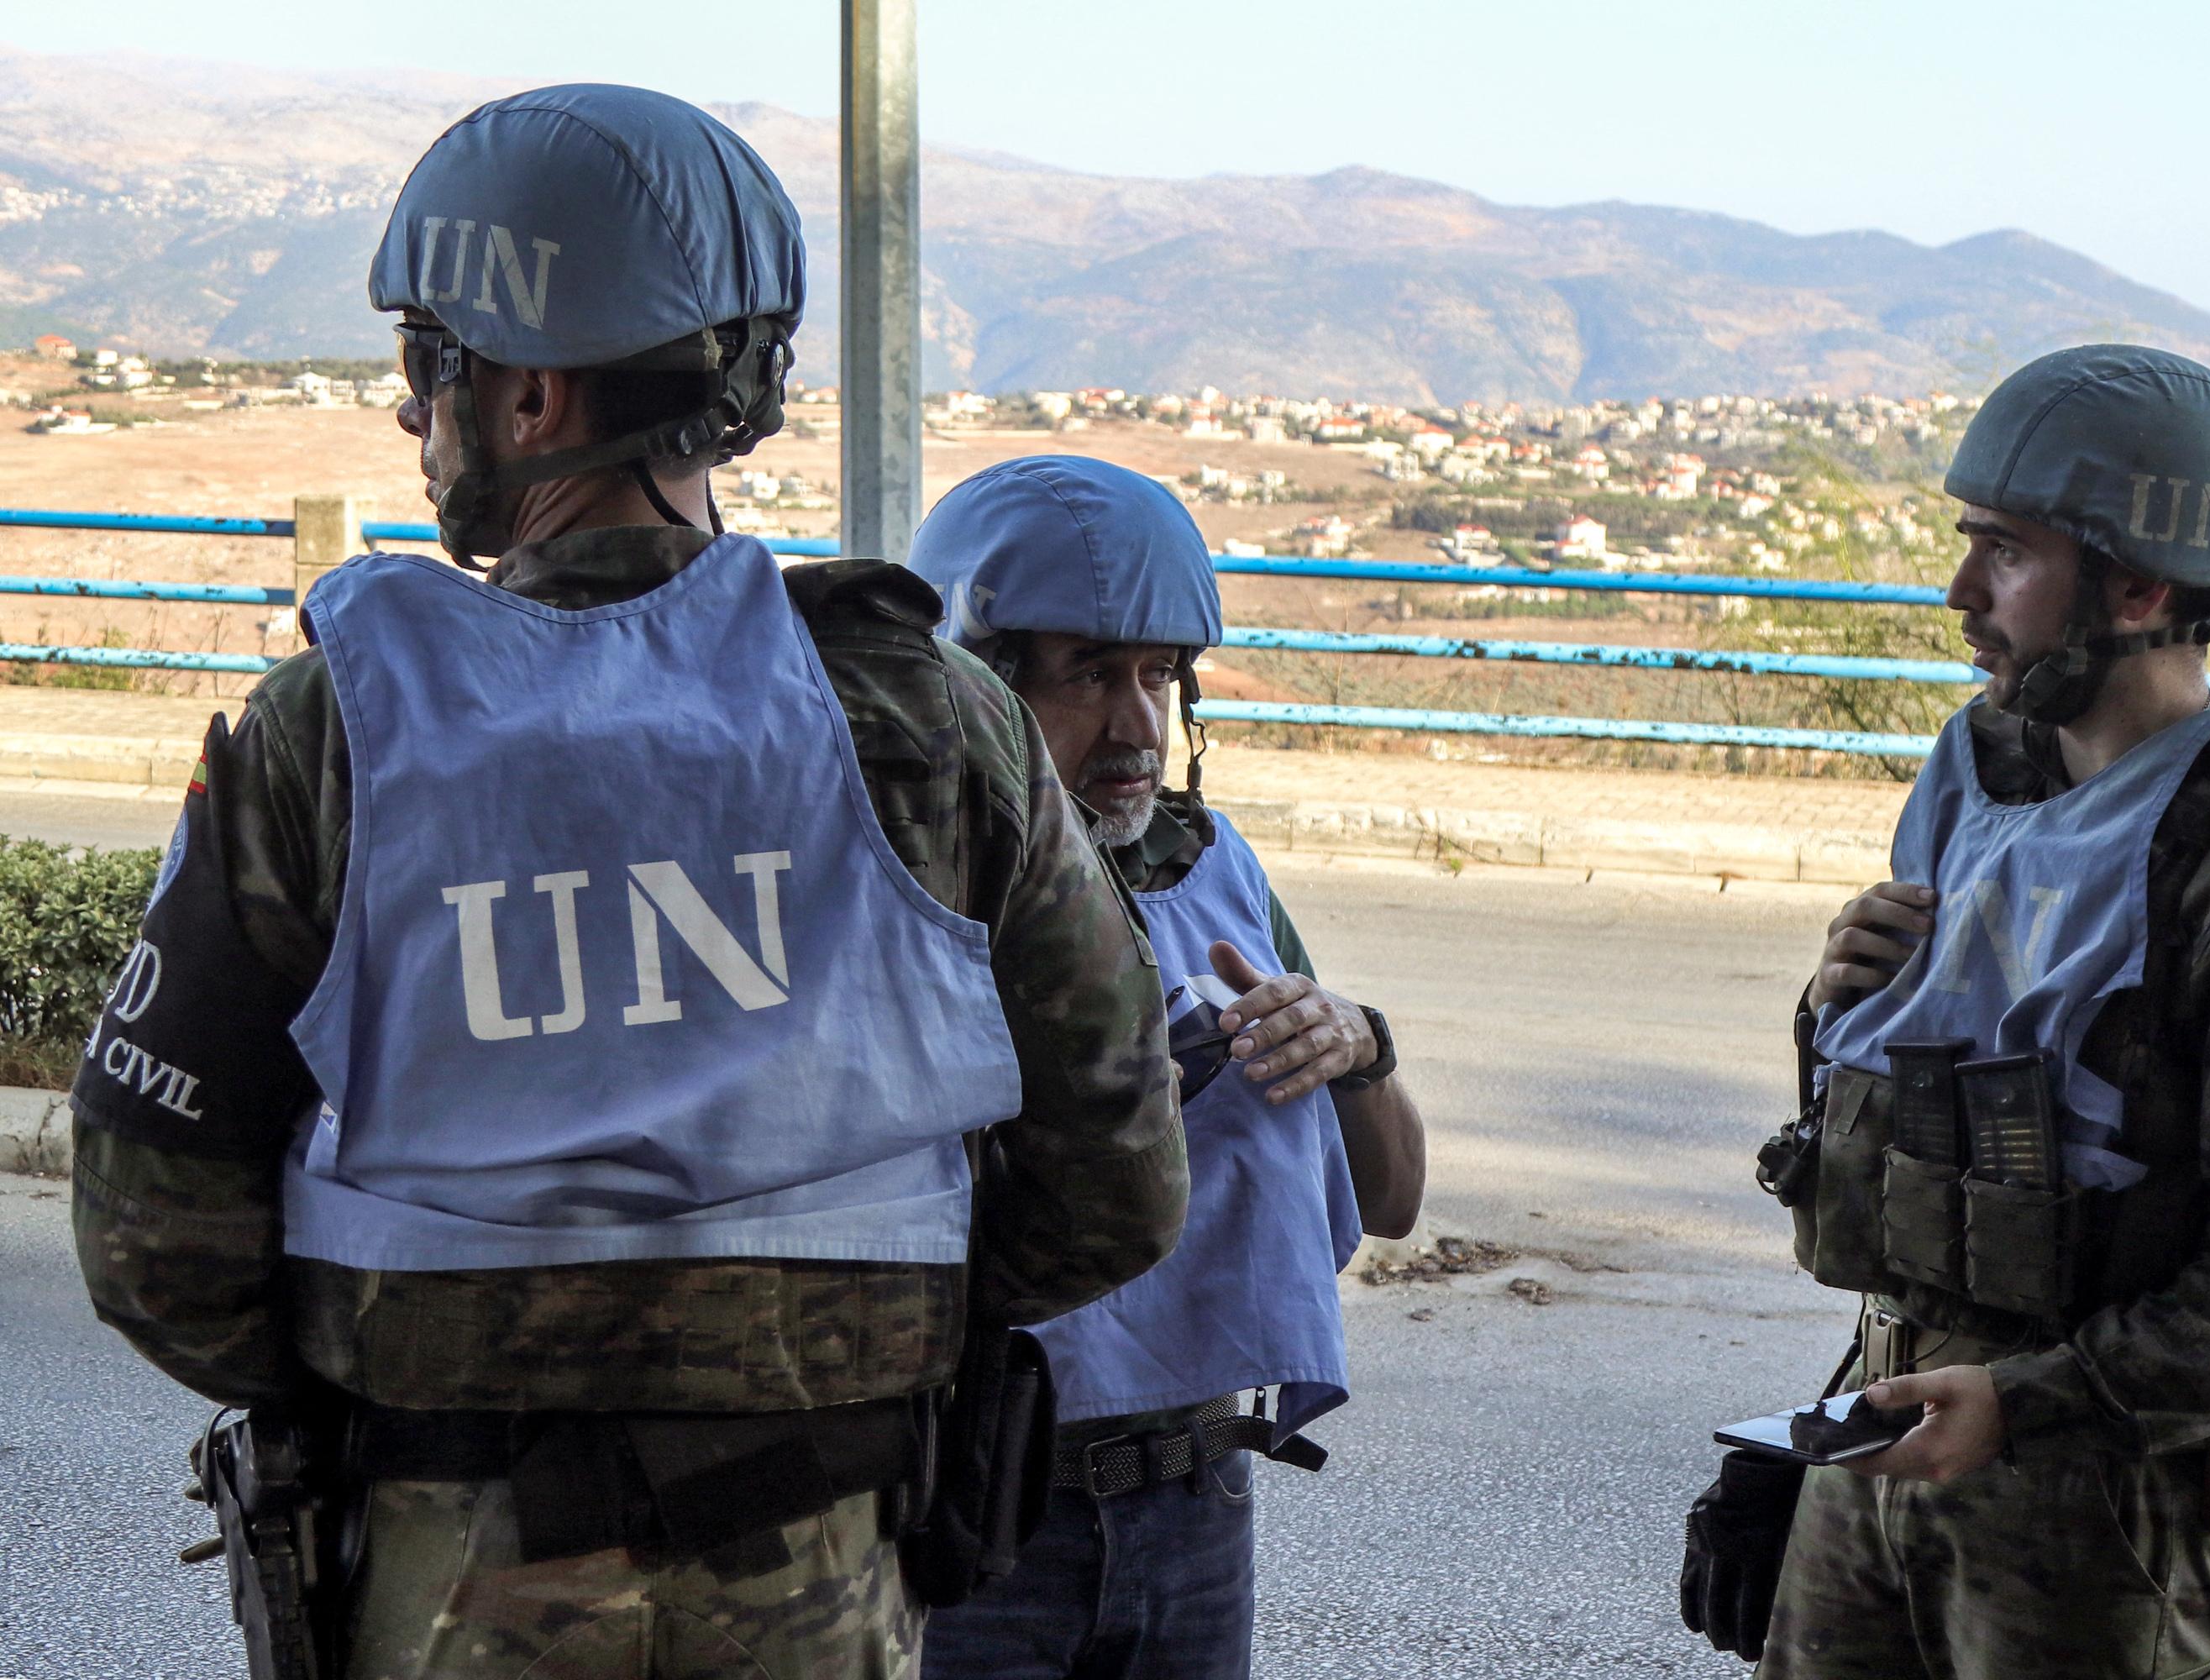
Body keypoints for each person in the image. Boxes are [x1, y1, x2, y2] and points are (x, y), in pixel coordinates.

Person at [69, 87, 1186, 1680]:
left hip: (449, 1570)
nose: (412, 415)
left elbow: (151, 1237)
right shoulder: (937, 721)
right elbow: (1119, 1176)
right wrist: (837, 1344)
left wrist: (400, 1387)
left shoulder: (335, 729)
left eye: (425, 366)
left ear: (525, 396)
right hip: (835, 1568)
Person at [1680, 344, 2210, 1679]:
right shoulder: (1991, 785)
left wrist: (2030, 1404)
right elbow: (1934, 1138)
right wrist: (1839, 1007)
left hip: (2101, 1496)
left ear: (2141, 586)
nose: (1961, 593)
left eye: (2007, 553)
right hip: (1887, 1423)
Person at [903, 456, 1429, 1680]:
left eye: (1157, 675)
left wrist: (1358, 1044)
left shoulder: (1211, 873)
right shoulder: (911, 893)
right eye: (1089, 674)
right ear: (979, 690)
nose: (1137, 725)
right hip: (980, 1511)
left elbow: (1395, 1200)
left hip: (1196, 1505)